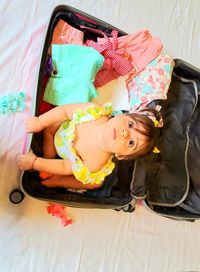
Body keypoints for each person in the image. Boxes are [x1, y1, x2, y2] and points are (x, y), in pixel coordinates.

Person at [18, 102, 160, 189]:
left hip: (62, 158)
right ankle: (47, 156)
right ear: (122, 115)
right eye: (130, 125)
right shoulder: (94, 113)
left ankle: (59, 181)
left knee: (95, 183)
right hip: (57, 130)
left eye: (131, 143)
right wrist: (41, 122)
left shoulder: (95, 163)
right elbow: (64, 111)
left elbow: (65, 166)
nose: (125, 134)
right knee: (51, 130)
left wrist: (35, 163)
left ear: (121, 156)